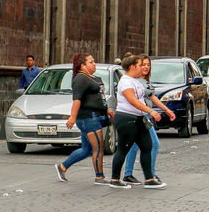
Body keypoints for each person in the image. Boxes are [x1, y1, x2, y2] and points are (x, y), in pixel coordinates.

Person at [55, 52, 114, 185]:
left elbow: (96, 98)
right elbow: (77, 100)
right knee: (98, 147)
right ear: (82, 65)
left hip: (93, 116)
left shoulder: (90, 77)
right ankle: (99, 177)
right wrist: (72, 117)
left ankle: (62, 167)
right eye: (91, 62)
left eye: (94, 61)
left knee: (86, 149)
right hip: (88, 118)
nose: (94, 64)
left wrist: (107, 110)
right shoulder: (80, 79)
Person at [111, 54, 166, 189]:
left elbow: (146, 97)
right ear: (132, 67)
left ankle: (149, 179)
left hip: (139, 119)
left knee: (148, 146)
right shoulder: (125, 81)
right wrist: (150, 111)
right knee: (123, 149)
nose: (143, 68)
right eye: (140, 65)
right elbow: (133, 100)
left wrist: (163, 110)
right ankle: (115, 179)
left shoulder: (136, 80)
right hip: (126, 118)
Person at [122, 55, 176, 185]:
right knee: (153, 144)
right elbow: (133, 100)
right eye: (143, 64)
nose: (146, 67)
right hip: (140, 116)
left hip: (145, 115)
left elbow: (152, 97)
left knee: (133, 146)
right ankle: (150, 175)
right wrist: (150, 111)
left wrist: (167, 110)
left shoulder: (144, 81)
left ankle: (128, 174)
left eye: (148, 64)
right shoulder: (133, 80)